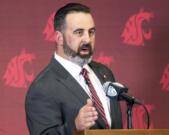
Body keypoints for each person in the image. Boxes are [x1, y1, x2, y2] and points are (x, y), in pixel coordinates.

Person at [25, 3, 122, 135]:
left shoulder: (104, 72)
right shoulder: (42, 87)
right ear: (59, 38)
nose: (87, 39)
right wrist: (75, 126)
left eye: (91, 32)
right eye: (79, 32)